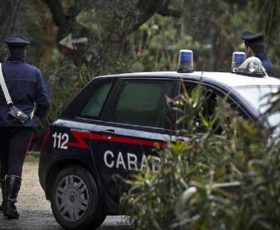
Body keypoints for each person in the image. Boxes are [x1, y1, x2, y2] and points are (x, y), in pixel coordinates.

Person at [0, 34, 51, 219]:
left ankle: (5, 200)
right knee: (15, 162)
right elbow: (44, 102)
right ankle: (10, 205)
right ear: (24, 52)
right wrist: (36, 116)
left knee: (3, 161)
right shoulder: (34, 73)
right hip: (24, 127)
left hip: (1, 124)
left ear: (9, 50)